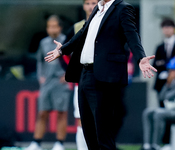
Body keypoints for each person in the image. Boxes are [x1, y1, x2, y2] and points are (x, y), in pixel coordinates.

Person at [45, 0, 157, 149]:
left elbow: (132, 35)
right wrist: (62, 50)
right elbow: (82, 33)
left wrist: (140, 58)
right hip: (84, 75)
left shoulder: (122, 8)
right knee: (89, 132)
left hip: (103, 76)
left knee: (103, 133)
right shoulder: (98, 9)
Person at [25, 15, 71, 150]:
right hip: (47, 82)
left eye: (54, 26)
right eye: (49, 26)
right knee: (42, 112)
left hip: (61, 82)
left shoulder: (67, 41)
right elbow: (39, 60)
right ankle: (36, 142)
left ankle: (59, 144)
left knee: (61, 113)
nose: (51, 29)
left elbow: (74, 59)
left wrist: (67, 75)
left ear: (60, 27)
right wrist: (41, 76)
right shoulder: (43, 42)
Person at [142, 56, 175, 150]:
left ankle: (156, 145)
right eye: (170, 70)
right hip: (172, 111)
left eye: (173, 70)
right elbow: (161, 97)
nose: (170, 72)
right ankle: (147, 145)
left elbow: (169, 97)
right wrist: (168, 84)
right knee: (148, 112)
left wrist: (170, 84)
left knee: (159, 114)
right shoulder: (171, 82)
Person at [65, 0, 98, 149]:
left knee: (100, 118)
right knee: (81, 117)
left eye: (94, 3)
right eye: (88, 3)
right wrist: (72, 71)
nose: (91, 6)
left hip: (101, 80)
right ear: (84, 6)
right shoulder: (77, 27)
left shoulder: (106, 23)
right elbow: (64, 51)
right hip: (82, 81)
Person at [153, 18, 175, 101]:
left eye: (169, 27)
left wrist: (163, 64)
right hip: (161, 83)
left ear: (174, 29)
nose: (166, 30)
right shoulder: (160, 47)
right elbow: (155, 64)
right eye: (164, 28)